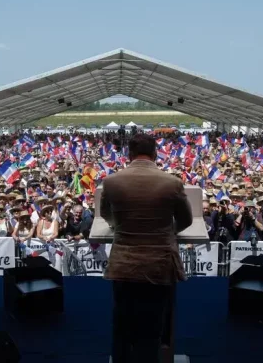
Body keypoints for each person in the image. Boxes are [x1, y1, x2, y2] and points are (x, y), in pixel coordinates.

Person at [100, 133, 193, 363]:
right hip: (158, 266)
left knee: (122, 325)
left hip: (123, 266)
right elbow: (186, 221)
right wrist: (167, 229)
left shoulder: (111, 182)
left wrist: (120, 225)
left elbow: (106, 216)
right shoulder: (172, 183)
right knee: (152, 328)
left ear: (129, 155)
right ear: (155, 154)